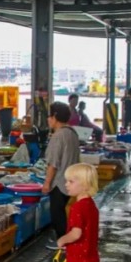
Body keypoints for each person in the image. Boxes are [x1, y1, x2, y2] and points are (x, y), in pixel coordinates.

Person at [43, 102, 82, 249]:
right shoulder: (72, 133)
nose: (48, 119)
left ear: (55, 117)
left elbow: (53, 164)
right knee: (62, 211)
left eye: (49, 116)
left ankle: (63, 242)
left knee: (57, 212)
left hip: (60, 182)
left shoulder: (58, 136)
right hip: (72, 179)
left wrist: (47, 183)